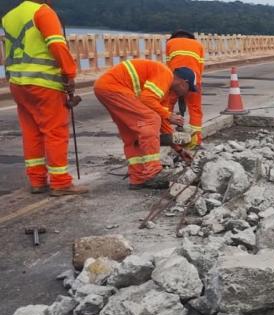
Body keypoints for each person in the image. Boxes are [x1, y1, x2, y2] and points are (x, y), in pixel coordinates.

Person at [2, 0, 87, 196]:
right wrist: (69, 73)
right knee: (55, 131)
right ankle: (60, 182)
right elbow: (56, 44)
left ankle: (37, 180)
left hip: (18, 82)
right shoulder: (43, 12)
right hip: (44, 82)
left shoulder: (9, 16)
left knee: (31, 132)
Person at [94, 59, 196, 189]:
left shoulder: (165, 92)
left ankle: (138, 178)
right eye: (189, 89)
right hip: (115, 88)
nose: (187, 93)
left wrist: (179, 150)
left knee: (132, 135)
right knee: (151, 119)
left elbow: (163, 124)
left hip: (107, 88)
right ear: (183, 83)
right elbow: (147, 99)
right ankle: (154, 173)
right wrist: (169, 115)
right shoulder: (166, 75)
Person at [165, 30, 205, 149]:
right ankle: (196, 141)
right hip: (194, 80)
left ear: (174, 37)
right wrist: (195, 82)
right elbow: (200, 67)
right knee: (195, 109)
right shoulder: (198, 45)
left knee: (167, 107)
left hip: (174, 80)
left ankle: (166, 135)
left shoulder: (170, 43)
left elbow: (168, 65)